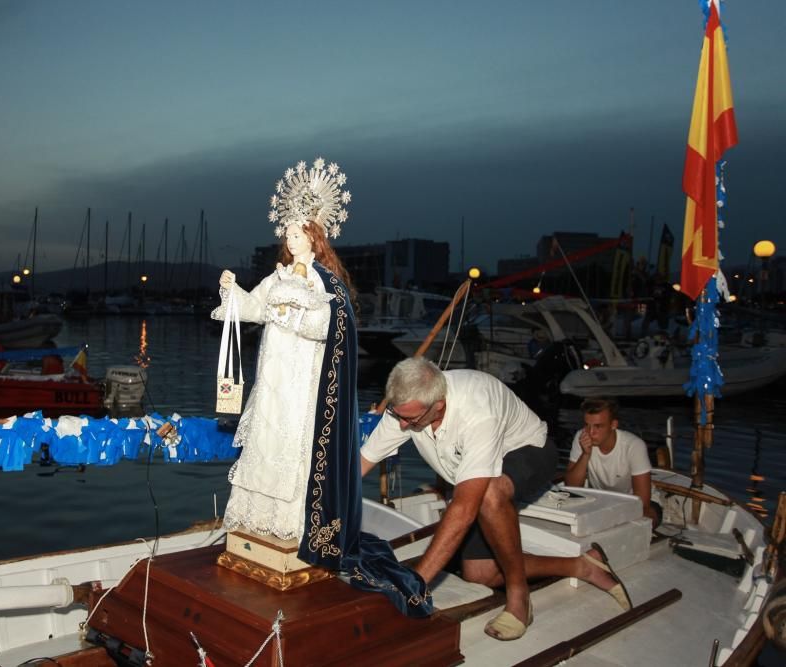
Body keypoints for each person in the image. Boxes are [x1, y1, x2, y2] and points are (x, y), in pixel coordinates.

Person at [213, 158, 429, 617]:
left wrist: (293, 315)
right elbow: (253, 309)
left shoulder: (324, 284)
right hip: (272, 379)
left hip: (302, 383)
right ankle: (257, 527)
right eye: (286, 236)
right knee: (265, 441)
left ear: (314, 237)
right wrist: (233, 293)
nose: (289, 243)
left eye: (297, 236)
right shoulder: (277, 276)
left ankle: (293, 530)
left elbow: (329, 330)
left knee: (292, 447)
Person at [361, 358, 633, 640]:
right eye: (398, 415)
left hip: (529, 451)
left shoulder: (477, 411)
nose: (402, 425)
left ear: (438, 405)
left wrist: (414, 584)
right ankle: (582, 565)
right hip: (477, 472)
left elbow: (466, 506)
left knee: (490, 494)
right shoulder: (405, 409)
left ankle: (519, 598)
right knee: (481, 575)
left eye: (410, 419)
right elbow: (359, 463)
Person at [564, 397, 659, 527]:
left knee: (646, 517)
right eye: (587, 425)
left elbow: (642, 502)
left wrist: (610, 515)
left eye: (598, 426)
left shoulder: (634, 446)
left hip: (632, 502)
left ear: (613, 425)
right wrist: (585, 454)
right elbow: (571, 486)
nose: (591, 432)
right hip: (599, 500)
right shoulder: (581, 437)